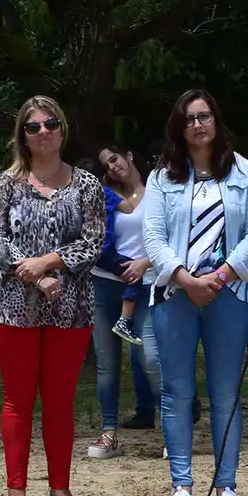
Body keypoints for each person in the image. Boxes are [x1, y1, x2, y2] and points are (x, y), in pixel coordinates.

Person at [144, 89, 248, 496]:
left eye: (205, 116)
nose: (198, 125)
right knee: (176, 392)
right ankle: (181, 485)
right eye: (190, 118)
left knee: (225, 392)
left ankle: (226, 486)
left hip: (228, 294)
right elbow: (154, 238)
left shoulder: (245, 172)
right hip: (175, 295)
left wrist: (218, 277)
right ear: (180, 127)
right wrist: (185, 279)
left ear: (217, 121)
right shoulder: (162, 178)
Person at [0, 96, 103, 496]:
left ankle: (59, 488)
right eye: (33, 127)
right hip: (12, 308)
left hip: (71, 309)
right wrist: (32, 274)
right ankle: (17, 494)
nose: (43, 131)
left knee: (60, 402)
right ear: (24, 136)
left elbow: (93, 243)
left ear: (62, 128)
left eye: (50, 122)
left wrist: (48, 262)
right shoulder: (6, 184)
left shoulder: (87, 185)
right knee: (18, 400)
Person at [84, 146, 163, 459]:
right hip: (105, 282)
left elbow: (168, 235)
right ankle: (109, 433)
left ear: (129, 156)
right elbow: (94, 240)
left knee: (151, 358)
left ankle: (173, 430)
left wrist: (144, 263)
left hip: (146, 282)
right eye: (105, 165)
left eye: (114, 159)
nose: (112, 167)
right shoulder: (104, 197)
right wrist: (121, 268)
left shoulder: (157, 190)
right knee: (107, 364)